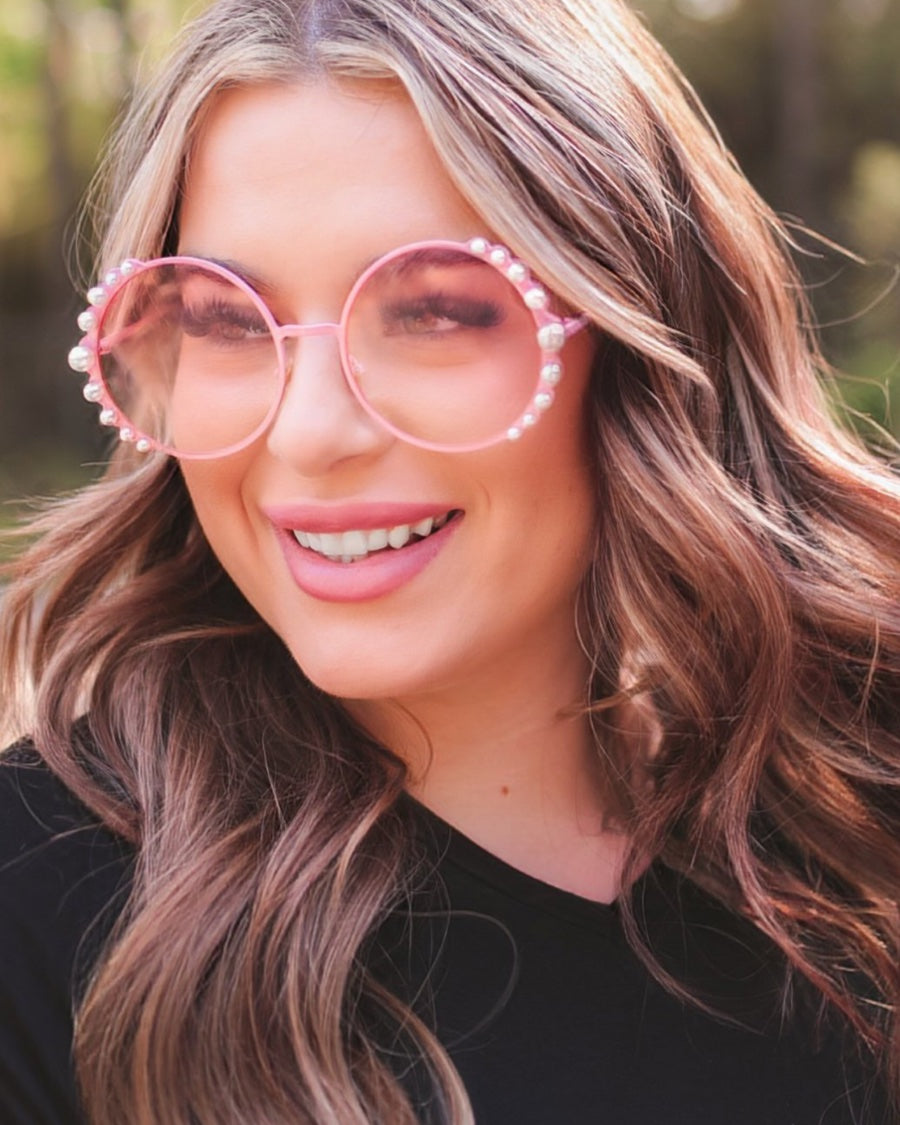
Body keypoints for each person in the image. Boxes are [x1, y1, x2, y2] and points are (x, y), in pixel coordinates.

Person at [1, 0, 898, 1121]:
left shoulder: (855, 826)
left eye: (433, 311)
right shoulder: (37, 918)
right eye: (227, 321)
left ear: (638, 355)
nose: (311, 432)